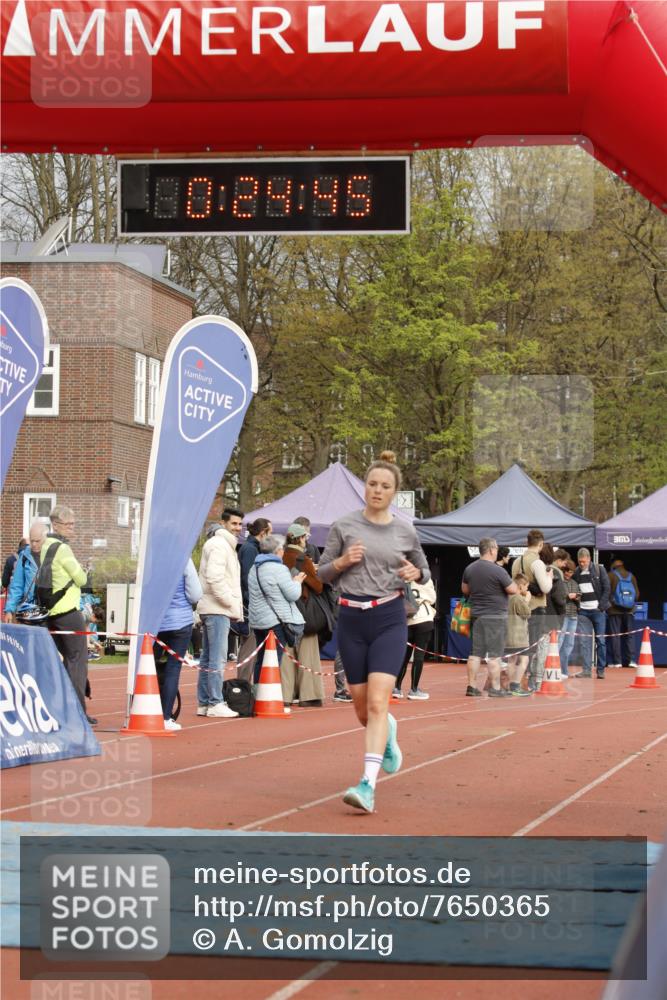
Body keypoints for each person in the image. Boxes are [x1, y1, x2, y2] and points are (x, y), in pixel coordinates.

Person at [318, 450, 430, 814]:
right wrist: (341, 562)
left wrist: (416, 574)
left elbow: (423, 569)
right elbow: (320, 574)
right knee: (364, 710)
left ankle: (367, 784)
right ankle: (389, 733)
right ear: (364, 487)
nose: (377, 490)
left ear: (395, 492)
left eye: (385, 486)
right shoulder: (344, 526)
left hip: (388, 618)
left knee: (380, 703)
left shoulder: (404, 530)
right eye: (372, 484)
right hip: (351, 620)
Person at [42, 507, 93, 723]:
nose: (72, 528)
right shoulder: (63, 549)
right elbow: (81, 580)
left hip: (49, 612)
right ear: (56, 524)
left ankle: (61, 708)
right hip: (68, 611)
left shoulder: (44, 545)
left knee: (63, 662)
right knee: (77, 661)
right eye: (68, 524)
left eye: (73, 524)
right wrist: (85, 570)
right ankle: (77, 712)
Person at [196, 508, 244, 718]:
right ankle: (214, 702)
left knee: (208, 658)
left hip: (213, 607)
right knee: (217, 658)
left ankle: (205, 702)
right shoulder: (219, 545)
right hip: (217, 608)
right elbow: (215, 578)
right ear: (223, 523)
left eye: (240, 524)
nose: (238, 528)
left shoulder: (223, 545)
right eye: (234, 524)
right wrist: (230, 602)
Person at [462, 537, 518, 698]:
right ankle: (495, 688)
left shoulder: (470, 569)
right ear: (492, 550)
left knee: (475, 653)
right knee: (494, 654)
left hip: (477, 616)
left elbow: (465, 590)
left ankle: (471, 687)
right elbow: (513, 589)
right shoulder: (498, 570)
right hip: (495, 617)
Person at [248, 534, 305, 683]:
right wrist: (297, 582)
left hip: (258, 621)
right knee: (274, 661)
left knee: (261, 660)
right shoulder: (279, 569)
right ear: (279, 550)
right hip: (275, 621)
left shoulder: (254, 568)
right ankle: (268, 700)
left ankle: (257, 695)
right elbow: (293, 595)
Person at [155, 558, 202, 730]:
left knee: (147, 667)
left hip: (156, 622)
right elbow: (195, 593)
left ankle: (141, 709)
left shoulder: (152, 558)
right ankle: (165, 717)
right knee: (173, 669)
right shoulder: (183, 559)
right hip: (180, 621)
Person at [281, 523, 325, 706]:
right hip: (303, 608)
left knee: (286, 654)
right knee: (308, 652)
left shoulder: (280, 557)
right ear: (299, 538)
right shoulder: (302, 559)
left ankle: (285, 696)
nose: (306, 540)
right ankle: (309, 695)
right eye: (305, 537)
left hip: (283, 609)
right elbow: (318, 586)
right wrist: (314, 572)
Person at [511, 529, 553, 691]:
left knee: (518, 647)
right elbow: (546, 588)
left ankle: (516, 680)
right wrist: (549, 578)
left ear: (526, 542)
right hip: (535, 608)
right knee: (532, 648)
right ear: (541, 544)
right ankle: (525, 682)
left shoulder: (516, 561)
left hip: (518, 608)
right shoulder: (538, 563)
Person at [236, 517, 272, 680]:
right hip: (250, 606)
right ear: (263, 532)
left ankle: (245, 685)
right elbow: (247, 578)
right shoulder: (250, 549)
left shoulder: (253, 548)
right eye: (270, 533)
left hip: (251, 603)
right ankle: (242, 685)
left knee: (253, 649)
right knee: (249, 649)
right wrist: (254, 602)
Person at [394, 577, 437, 700]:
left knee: (404, 656)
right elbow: (432, 599)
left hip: (406, 620)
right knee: (419, 656)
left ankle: (396, 688)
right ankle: (414, 689)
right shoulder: (426, 579)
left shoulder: (400, 579)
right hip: (423, 618)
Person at [572, 548, 610, 679]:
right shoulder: (576, 573)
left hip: (597, 611)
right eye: (579, 562)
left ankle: (600, 670)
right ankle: (587, 670)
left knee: (601, 640)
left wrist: (601, 606)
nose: (581, 564)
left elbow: (607, 588)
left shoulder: (599, 569)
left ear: (589, 559)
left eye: (583, 561)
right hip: (583, 611)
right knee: (584, 641)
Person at [3, 522, 48, 623]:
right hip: (30, 610)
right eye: (32, 541)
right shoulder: (24, 556)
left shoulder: (55, 554)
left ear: (46, 539)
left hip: (51, 609)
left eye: (37, 541)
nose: (34, 544)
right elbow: (17, 586)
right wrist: (9, 610)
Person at [607, 558, 640, 669]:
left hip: (614, 610)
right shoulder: (632, 576)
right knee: (629, 636)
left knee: (615, 636)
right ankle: (631, 660)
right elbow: (637, 595)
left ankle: (617, 662)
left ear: (613, 565)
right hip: (629, 611)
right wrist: (629, 603)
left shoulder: (611, 575)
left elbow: (606, 592)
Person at [504, 573, 532, 696]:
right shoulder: (518, 598)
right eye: (526, 586)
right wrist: (527, 600)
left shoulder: (508, 597)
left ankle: (510, 685)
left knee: (511, 660)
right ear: (520, 586)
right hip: (519, 636)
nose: (527, 589)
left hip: (508, 635)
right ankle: (515, 685)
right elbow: (526, 613)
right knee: (524, 660)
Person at [559, 560, 580, 678]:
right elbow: (558, 596)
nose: (569, 574)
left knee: (569, 644)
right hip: (563, 615)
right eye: (567, 572)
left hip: (573, 615)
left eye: (571, 572)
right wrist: (568, 596)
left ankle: (564, 670)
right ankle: (555, 669)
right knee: (560, 641)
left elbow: (579, 595)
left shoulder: (574, 583)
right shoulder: (559, 582)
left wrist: (576, 597)